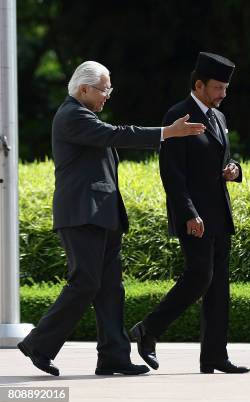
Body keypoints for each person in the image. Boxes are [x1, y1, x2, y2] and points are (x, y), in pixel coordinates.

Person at [17, 61, 205, 376]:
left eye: (109, 89)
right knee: (86, 283)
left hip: (102, 216)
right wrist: (166, 133)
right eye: (105, 89)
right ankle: (38, 344)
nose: (108, 95)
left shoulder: (84, 116)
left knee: (110, 289)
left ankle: (113, 357)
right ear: (84, 89)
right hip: (81, 216)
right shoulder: (72, 116)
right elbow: (116, 134)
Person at [130, 52, 249, 374]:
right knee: (199, 276)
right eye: (218, 88)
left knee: (218, 286)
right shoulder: (178, 116)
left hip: (220, 214)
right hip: (193, 216)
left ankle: (214, 357)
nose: (223, 94)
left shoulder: (220, 118)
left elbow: (227, 156)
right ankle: (148, 329)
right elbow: (172, 174)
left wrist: (234, 169)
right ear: (199, 85)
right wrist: (188, 213)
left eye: (225, 88)